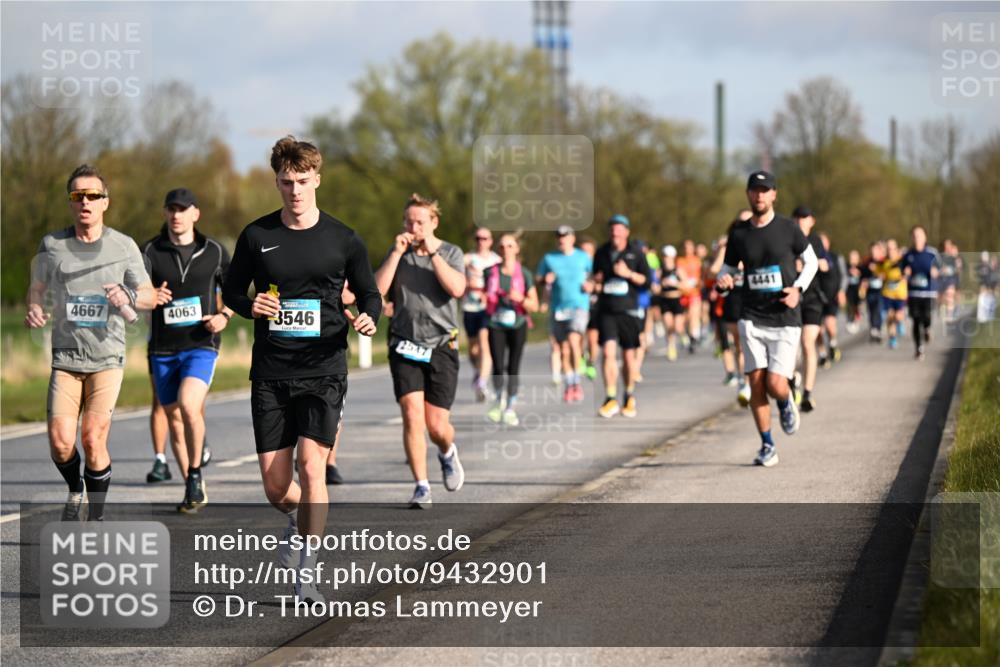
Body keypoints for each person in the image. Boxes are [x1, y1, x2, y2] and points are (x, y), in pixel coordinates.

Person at [222, 136, 381, 603]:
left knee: (312, 466)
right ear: (276, 182)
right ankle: (299, 518)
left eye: (303, 181)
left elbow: (369, 292)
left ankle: (307, 571)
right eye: (286, 182)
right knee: (276, 487)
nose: (295, 190)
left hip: (323, 367)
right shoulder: (256, 236)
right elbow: (232, 292)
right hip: (271, 370)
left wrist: (370, 316)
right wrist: (251, 305)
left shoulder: (343, 238)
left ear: (317, 180)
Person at [26, 164, 157, 521]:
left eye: (93, 195)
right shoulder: (52, 245)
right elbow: (37, 288)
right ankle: (76, 489)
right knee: (60, 442)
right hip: (66, 357)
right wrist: (34, 308)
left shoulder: (123, 245)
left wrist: (128, 294)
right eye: (78, 195)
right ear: (70, 202)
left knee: (93, 437)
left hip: (107, 357)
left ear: (105, 202)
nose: (85, 201)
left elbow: (149, 295)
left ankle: (95, 517)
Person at [716, 171, 818, 467]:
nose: (759, 195)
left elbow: (811, 262)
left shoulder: (788, 228)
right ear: (748, 194)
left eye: (765, 190)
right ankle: (767, 445)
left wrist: (798, 289)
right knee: (756, 383)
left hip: (784, 317)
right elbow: (728, 270)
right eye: (754, 190)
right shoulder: (739, 234)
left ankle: (785, 402)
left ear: (774, 195)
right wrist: (724, 281)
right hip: (751, 316)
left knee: (775, 383)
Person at [141, 188, 233, 512]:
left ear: (196, 214)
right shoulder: (149, 251)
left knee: (188, 404)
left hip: (201, 344)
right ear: (165, 213)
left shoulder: (215, 251)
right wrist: (149, 296)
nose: (176, 215)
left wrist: (224, 316)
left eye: (182, 209)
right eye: (171, 209)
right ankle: (192, 488)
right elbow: (133, 294)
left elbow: (234, 293)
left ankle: (194, 472)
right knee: (174, 419)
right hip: (163, 348)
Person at [374, 193, 467, 509]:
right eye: (409, 222)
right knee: (412, 415)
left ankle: (447, 451)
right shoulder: (398, 253)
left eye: (420, 222)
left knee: (437, 426)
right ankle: (421, 486)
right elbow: (377, 291)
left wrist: (433, 254)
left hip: (441, 345)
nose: (414, 228)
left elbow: (456, 288)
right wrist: (395, 255)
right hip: (405, 344)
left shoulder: (451, 252)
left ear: (433, 222)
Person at [591, 214, 649, 419]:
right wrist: (595, 282)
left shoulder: (636, 253)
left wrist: (628, 274)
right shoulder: (601, 253)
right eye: (612, 228)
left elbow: (647, 282)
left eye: (619, 229)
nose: (615, 232)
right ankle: (610, 398)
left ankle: (629, 395)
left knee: (628, 356)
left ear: (626, 232)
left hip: (629, 310)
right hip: (607, 310)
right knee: (608, 353)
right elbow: (596, 279)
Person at [483, 234, 539, 424]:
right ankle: (498, 401)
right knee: (498, 365)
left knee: (513, 367)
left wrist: (520, 298)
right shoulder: (490, 272)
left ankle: (510, 407)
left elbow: (534, 305)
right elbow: (481, 294)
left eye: (509, 246)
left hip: (518, 324)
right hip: (495, 323)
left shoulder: (525, 274)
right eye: (502, 246)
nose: (505, 249)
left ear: (516, 249)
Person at [536, 225, 592, 403]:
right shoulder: (549, 258)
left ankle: (577, 382)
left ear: (572, 239)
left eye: (565, 236)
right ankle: (570, 384)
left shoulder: (583, 257)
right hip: (558, 308)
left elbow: (594, 276)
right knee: (563, 349)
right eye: (559, 236)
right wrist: (545, 279)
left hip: (579, 305)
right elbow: (538, 278)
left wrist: (590, 285)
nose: (562, 239)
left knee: (574, 341)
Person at [791, 206, 828, 412]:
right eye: (797, 218)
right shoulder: (787, 239)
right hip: (792, 299)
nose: (800, 221)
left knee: (807, 342)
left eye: (804, 218)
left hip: (812, 298)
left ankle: (807, 392)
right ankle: (792, 380)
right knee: (793, 346)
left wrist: (814, 264)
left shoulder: (816, 241)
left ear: (812, 221)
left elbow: (826, 265)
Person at [462, 227, 499, 402]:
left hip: (487, 308)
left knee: (484, 343)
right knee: (473, 349)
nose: (481, 241)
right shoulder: (467, 258)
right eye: (478, 238)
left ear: (490, 241)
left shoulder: (496, 260)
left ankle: (482, 383)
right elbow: (455, 275)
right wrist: (465, 282)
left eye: (485, 238)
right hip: (470, 306)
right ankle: (478, 371)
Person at [900, 226, 941, 360]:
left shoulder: (932, 253)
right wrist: (905, 273)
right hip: (913, 293)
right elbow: (901, 271)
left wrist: (936, 272)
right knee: (916, 320)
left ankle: (928, 329)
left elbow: (940, 268)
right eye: (914, 235)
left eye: (919, 235)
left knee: (927, 316)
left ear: (925, 237)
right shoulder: (908, 255)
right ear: (912, 238)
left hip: (929, 293)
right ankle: (919, 348)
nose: (917, 238)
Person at [817, 231, 846, 367]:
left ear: (828, 243)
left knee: (830, 325)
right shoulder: (812, 258)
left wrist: (842, 291)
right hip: (817, 298)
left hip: (832, 296)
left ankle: (833, 344)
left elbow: (843, 276)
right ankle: (822, 354)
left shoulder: (836, 257)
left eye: (824, 241)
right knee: (818, 330)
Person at [877, 238, 908, 350]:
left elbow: (908, 270)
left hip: (900, 294)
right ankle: (892, 338)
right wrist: (879, 275)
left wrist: (906, 275)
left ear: (896, 249)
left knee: (898, 316)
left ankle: (900, 322)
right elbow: (878, 272)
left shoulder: (902, 260)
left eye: (892, 248)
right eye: (888, 249)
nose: (890, 251)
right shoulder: (883, 262)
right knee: (890, 317)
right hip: (888, 293)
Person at [657, 245, 685, 362]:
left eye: (668, 257)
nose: (666, 259)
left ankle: (683, 335)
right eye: (664, 256)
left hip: (676, 299)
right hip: (665, 300)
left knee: (677, 327)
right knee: (668, 325)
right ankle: (671, 346)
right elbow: (654, 287)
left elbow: (686, 285)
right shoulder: (660, 271)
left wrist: (675, 284)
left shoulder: (678, 270)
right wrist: (661, 284)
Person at [579, 237, 600, 381]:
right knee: (579, 337)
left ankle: (591, 363)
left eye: (588, 251)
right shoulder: (576, 267)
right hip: (579, 307)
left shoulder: (598, 267)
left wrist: (595, 286)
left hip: (595, 306)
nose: (585, 254)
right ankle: (580, 358)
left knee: (593, 340)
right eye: (583, 251)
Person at [676, 240, 703, 353]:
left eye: (690, 247)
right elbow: (680, 273)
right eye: (686, 247)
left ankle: (694, 337)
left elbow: (701, 276)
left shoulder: (697, 260)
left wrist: (698, 282)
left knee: (693, 315)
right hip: (683, 293)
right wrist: (686, 282)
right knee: (684, 319)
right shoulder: (680, 260)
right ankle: (689, 335)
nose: (687, 249)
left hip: (695, 293)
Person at [862, 241, 887, 342]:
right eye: (872, 251)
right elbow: (863, 275)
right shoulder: (867, 262)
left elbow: (886, 274)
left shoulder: (884, 261)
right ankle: (873, 328)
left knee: (878, 309)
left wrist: (877, 271)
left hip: (881, 290)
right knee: (871, 309)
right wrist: (864, 281)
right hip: (870, 290)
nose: (874, 253)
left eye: (876, 250)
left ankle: (878, 328)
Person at [938, 239, 962, 323]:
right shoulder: (939, 257)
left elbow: (959, 269)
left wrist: (954, 269)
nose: (947, 247)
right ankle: (942, 309)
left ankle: (949, 315)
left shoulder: (955, 258)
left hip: (951, 279)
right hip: (941, 280)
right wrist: (941, 270)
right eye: (946, 245)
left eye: (949, 245)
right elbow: (935, 268)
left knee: (950, 296)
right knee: (941, 298)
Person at [845, 250, 863, 334]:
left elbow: (865, 276)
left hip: (858, 290)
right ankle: (850, 319)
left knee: (857, 305)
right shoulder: (846, 266)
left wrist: (858, 273)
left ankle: (857, 316)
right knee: (850, 305)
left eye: (855, 258)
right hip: (849, 290)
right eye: (851, 258)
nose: (853, 260)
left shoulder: (861, 267)